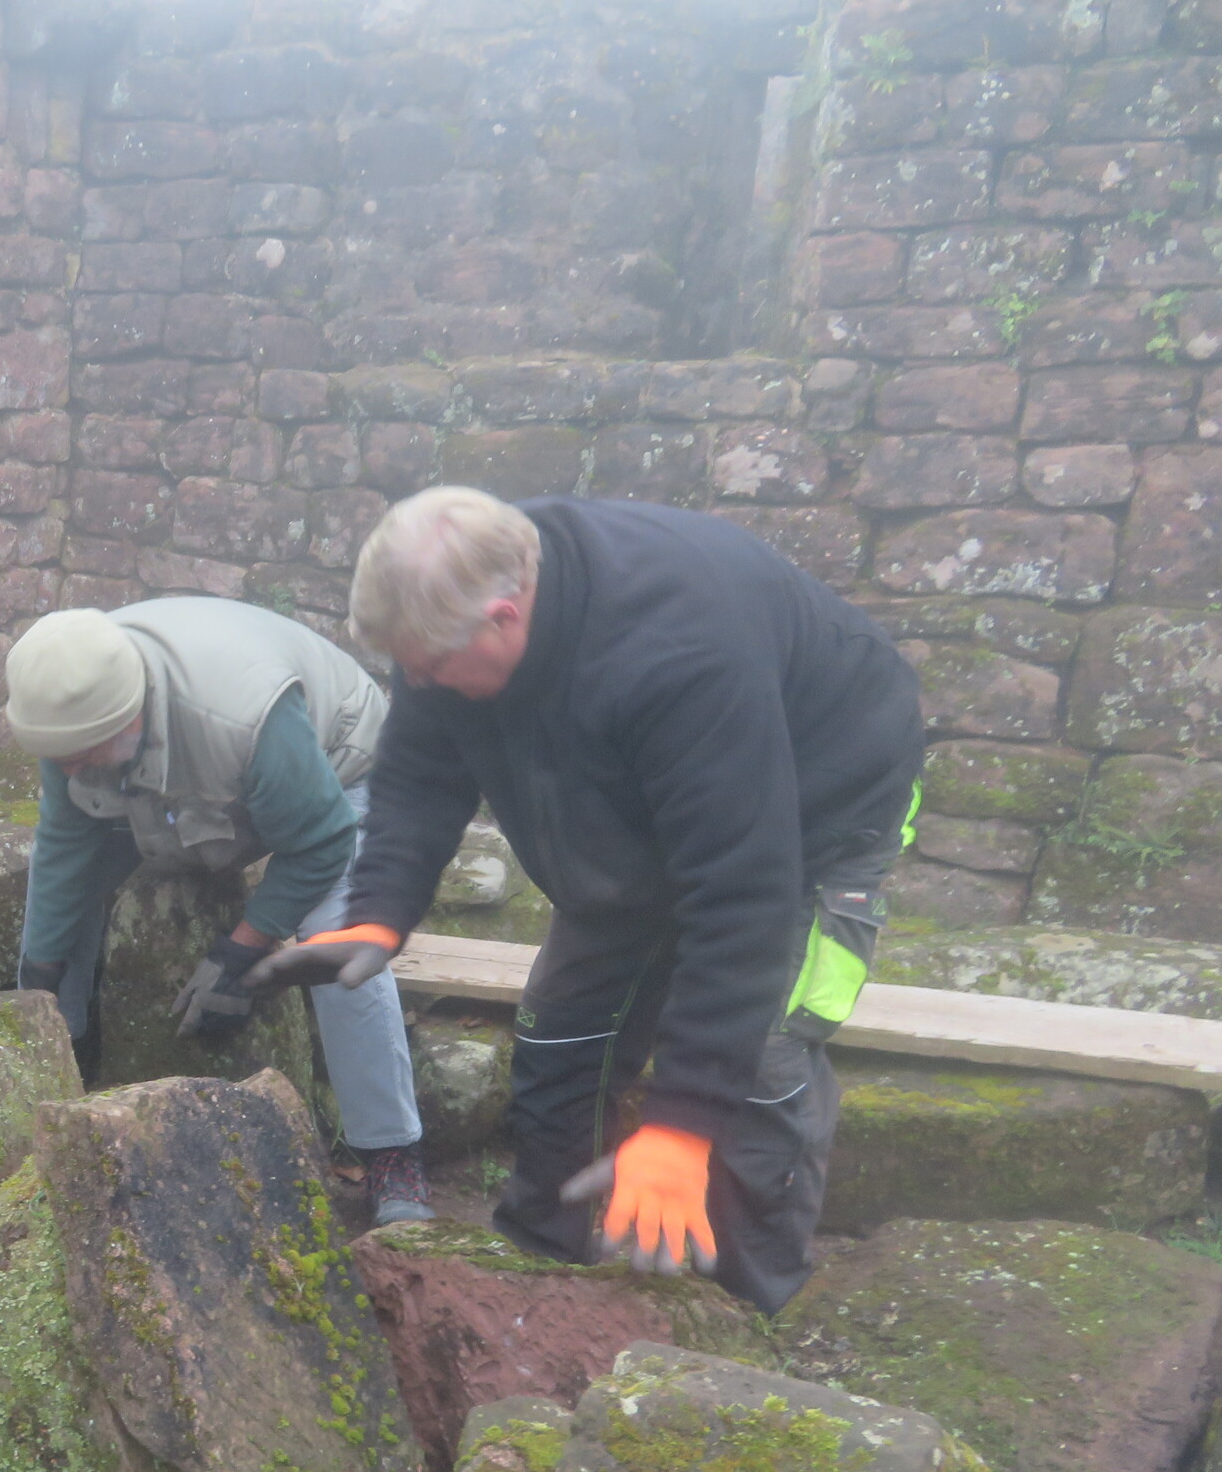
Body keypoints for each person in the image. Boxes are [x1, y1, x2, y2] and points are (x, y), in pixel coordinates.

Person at [250, 486, 923, 1313]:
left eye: (429, 669)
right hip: (650, 798)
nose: (418, 682)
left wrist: (680, 1125)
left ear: (504, 618)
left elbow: (741, 898)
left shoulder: (679, 650)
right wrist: (380, 909)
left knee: (760, 1069)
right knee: (563, 1036)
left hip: (819, 808)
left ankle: (746, 1311)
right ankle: (538, 1269)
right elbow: (422, 768)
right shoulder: (444, 614)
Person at [3, 597, 434, 1226]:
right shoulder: (68, 713)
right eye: (58, 756)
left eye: (76, 755)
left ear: (126, 717)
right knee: (70, 888)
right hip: (190, 773)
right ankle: (65, 1061)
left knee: (341, 941)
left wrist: (241, 949)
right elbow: (66, 849)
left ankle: (391, 1150)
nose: (65, 767)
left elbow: (322, 840)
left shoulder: (244, 715)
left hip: (336, 766)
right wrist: (39, 978)